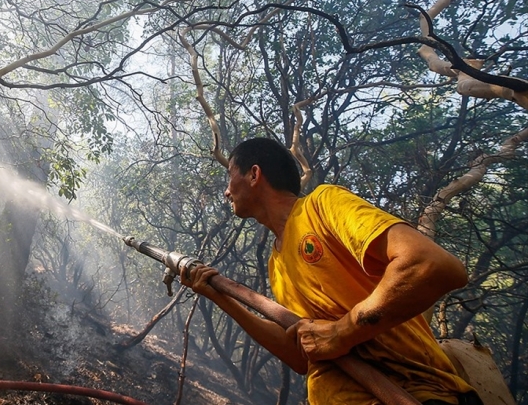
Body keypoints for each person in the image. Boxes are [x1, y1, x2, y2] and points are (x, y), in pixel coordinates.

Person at [180, 137, 479, 405]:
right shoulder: (276, 264)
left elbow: (433, 265)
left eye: (229, 176)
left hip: (417, 393)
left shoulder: (321, 205)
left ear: (254, 175)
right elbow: (302, 354)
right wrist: (218, 296)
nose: (226, 192)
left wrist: (341, 332)